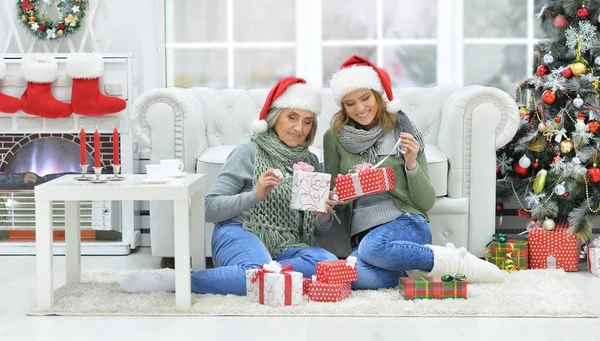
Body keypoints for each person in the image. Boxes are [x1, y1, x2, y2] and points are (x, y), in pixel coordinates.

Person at [121, 77, 338, 295]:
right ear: (275, 117)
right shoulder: (249, 151)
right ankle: (177, 283)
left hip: (286, 245)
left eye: (307, 121)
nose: (299, 128)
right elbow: (207, 208)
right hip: (239, 231)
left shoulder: (310, 163)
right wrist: (255, 194)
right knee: (256, 271)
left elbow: (315, 232)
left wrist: (322, 215)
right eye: (292, 117)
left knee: (329, 263)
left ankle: (266, 275)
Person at [323, 55, 504, 289]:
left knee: (372, 247)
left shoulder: (402, 131)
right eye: (350, 103)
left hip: (406, 223)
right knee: (352, 276)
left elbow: (426, 201)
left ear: (378, 96)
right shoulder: (334, 138)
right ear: (343, 106)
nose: (359, 108)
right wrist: (339, 199)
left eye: (365, 98)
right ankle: (404, 271)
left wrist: (411, 163)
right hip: (362, 235)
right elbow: (333, 200)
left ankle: (456, 264)